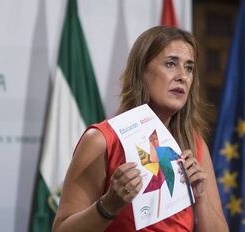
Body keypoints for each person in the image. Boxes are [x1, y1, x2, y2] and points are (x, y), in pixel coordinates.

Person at [52, 26, 228, 232]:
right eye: (171, 64)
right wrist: (108, 206)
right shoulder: (101, 140)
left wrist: (201, 196)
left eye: (189, 68)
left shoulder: (194, 145)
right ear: (141, 70)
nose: (183, 76)